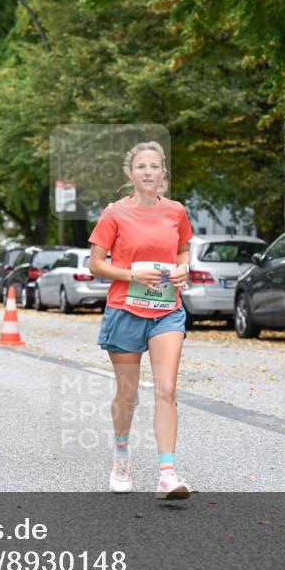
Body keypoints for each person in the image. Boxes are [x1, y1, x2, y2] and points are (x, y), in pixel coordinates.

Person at [88, 141, 194, 500]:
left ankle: (167, 474)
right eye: (141, 167)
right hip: (125, 309)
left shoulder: (176, 211)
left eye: (154, 166)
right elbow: (95, 264)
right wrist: (132, 275)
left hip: (167, 310)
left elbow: (182, 248)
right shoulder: (114, 213)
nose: (148, 172)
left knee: (166, 389)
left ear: (163, 172)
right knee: (128, 395)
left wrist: (183, 268)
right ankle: (121, 456)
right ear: (129, 173)